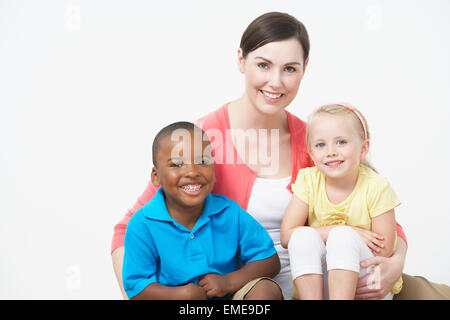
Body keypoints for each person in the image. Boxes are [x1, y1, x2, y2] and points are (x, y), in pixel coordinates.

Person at [112, 11, 449, 299]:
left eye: (290, 68)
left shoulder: (316, 141)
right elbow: (127, 229)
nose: (276, 81)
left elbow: (381, 212)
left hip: (331, 279)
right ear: (241, 61)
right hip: (252, 289)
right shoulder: (200, 141)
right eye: (263, 65)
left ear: (304, 69)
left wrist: (395, 264)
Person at [122, 121, 282, 299]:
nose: (192, 172)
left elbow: (270, 261)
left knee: (265, 289)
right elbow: (136, 287)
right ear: (156, 176)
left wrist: (228, 282)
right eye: (176, 164)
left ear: (214, 171)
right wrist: (181, 295)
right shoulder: (142, 224)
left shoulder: (229, 212)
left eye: (202, 161)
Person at [281, 103, 402, 300]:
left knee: (343, 238)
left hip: (367, 284)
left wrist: (347, 237)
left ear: (364, 149)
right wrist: (337, 230)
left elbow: (385, 248)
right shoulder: (308, 180)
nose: (330, 151)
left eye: (341, 142)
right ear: (311, 154)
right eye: (320, 145)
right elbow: (288, 236)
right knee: (302, 236)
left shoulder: (376, 185)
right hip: (325, 285)